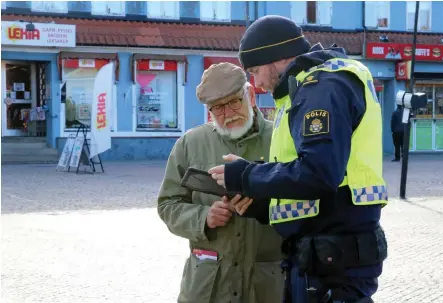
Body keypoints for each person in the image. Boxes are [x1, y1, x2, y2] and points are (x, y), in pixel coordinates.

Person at [208, 15, 388, 303]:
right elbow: (311, 178)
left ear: (276, 59)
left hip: (333, 260)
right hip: (322, 254)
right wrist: (262, 205)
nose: (258, 83)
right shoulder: (305, 90)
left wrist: (246, 176)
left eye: (256, 71)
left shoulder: (321, 88)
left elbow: (318, 173)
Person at [157, 62, 284, 303]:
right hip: (209, 287)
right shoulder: (190, 144)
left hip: (267, 285)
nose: (228, 114)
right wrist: (203, 217)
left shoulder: (281, 138)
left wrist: (264, 204)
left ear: (251, 96)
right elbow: (168, 205)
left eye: (234, 102)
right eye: (217, 108)